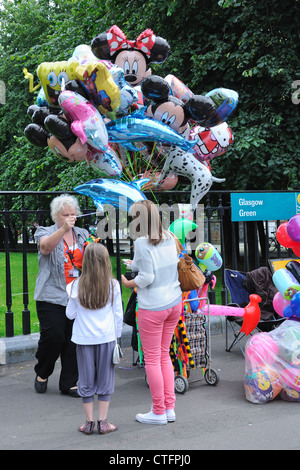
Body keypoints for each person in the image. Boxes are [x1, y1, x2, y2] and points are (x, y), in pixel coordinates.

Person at [121, 200, 182, 425]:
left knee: (152, 360)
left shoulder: (141, 242)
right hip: (174, 303)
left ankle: (158, 411)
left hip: (153, 307)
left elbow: (147, 278)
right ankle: (169, 408)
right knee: (164, 355)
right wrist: (134, 264)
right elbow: (157, 266)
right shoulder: (169, 236)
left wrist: (127, 283)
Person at [33, 194, 89, 396]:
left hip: (77, 296)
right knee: (54, 337)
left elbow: (91, 258)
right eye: (65, 214)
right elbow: (46, 248)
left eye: (73, 214)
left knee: (73, 340)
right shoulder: (44, 231)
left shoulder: (82, 234)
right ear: (56, 215)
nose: (70, 217)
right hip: (51, 295)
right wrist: (63, 230)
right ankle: (43, 371)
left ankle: (69, 383)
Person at [66, 242, 123, 435]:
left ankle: (89, 422)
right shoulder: (113, 285)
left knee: (86, 379)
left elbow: (70, 315)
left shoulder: (75, 285)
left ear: (86, 263)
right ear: (106, 262)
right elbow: (118, 315)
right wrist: (117, 338)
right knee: (105, 380)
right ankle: (103, 422)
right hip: (107, 338)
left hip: (83, 340)